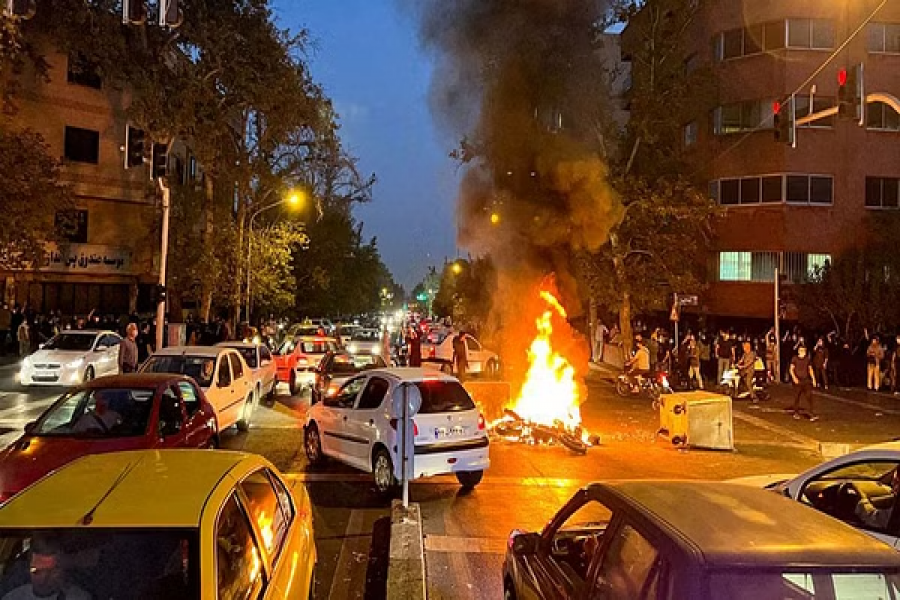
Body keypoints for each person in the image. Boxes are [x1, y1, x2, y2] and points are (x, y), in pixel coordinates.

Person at [1, 534, 90, 600]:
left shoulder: (78, 598)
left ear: (63, 570)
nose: (43, 580)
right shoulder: (14, 597)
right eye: (35, 571)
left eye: (51, 571)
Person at [790, 346, 818, 421]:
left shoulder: (807, 359)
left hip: (806, 380)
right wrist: (794, 378)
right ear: (799, 351)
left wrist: (813, 379)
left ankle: (812, 414)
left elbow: (810, 369)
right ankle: (796, 413)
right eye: (801, 350)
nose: (803, 352)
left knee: (809, 396)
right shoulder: (794, 358)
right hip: (798, 381)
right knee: (796, 397)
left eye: (804, 351)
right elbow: (791, 369)